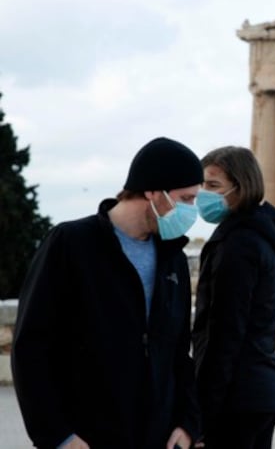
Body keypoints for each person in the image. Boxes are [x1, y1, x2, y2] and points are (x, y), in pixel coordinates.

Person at [12, 137, 202, 449]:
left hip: (157, 437)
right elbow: (31, 346)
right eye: (186, 198)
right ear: (153, 191)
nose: (191, 210)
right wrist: (58, 436)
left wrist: (187, 424)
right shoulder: (70, 244)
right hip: (86, 437)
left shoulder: (174, 259)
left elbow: (178, 353)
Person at [192, 146, 275, 449]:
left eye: (213, 186)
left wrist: (202, 412)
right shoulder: (261, 237)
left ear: (241, 186)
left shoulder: (238, 244)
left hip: (237, 397)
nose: (202, 195)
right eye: (201, 186)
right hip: (261, 391)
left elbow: (224, 332)